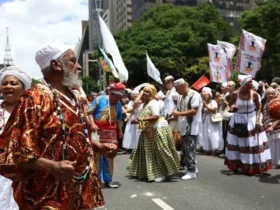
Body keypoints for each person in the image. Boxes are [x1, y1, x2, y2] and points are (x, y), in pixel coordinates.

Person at [0, 45, 118, 210]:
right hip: (47, 194)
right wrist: (53, 166)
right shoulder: (34, 98)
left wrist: (98, 146)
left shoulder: (75, 97)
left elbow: (74, 136)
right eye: (72, 61)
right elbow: (19, 152)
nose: (79, 66)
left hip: (80, 188)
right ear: (56, 65)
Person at [126, 85, 179, 182]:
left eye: (148, 92)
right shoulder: (145, 104)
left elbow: (155, 116)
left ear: (153, 93)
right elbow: (136, 103)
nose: (145, 93)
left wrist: (142, 119)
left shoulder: (154, 103)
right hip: (149, 129)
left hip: (158, 129)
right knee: (150, 153)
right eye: (144, 91)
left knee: (160, 151)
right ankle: (154, 172)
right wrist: (137, 121)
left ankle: (163, 173)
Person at [225, 75, 272, 175]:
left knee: (252, 143)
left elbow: (259, 108)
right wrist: (231, 108)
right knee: (237, 143)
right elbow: (228, 105)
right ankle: (235, 166)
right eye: (249, 82)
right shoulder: (235, 94)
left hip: (251, 119)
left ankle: (253, 167)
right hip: (237, 120)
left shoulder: (254, 94)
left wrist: (258, 120)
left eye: (251, 82)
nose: (252, 84)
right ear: (244, 84)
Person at [0, 66, 32, 210]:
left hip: (25, 174)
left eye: (13, 83)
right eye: (4, 83)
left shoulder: (32, 114)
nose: (8, 86)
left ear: (24, 88)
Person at [88, 82, 125, 188]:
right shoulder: (99, 99)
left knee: (110, 155)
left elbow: (118, 119)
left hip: (111, 133)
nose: (118, 99)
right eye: (116, 97)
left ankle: (108, 179)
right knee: (97, 156)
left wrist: (120, 131)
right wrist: (92, 123)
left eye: (119, 97)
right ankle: (97, 180)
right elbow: (90, 112)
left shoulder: (118, 104)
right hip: (97, 132)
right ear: (111, 94)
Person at [172, 79, 202, 180]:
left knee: (190, 149)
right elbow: (179, 110)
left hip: (192, 126)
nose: (176, 91)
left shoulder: (195, 95)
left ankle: (192, 171)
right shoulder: (180, 97)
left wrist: (178, 114)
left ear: (183, 86)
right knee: (185, 149)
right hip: (183, 126)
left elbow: (194, 111)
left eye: (177, 88)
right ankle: (190, 167)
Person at [199, 87, 224, 155]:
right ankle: (208, 149)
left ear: (209, 95)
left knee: (212, 134)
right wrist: (203, 107)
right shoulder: (202, 102)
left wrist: (206, 106)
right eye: (204, 96)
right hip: (205, 120)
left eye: (206, 95)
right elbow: (200, 112)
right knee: (206, 134)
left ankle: (214, 149)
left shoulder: (213, 102)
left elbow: (214, 110)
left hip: (212, 120)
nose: (205, 97)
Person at [263, 88, 280, 168]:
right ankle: (273, 161)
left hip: (276, 128)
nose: (270, 95)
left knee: (277, 145)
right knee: (271, 145)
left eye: (272, 94)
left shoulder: (277, 103)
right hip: (268, 127)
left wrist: (273, 126)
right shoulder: (266, 104)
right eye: (268, 94)